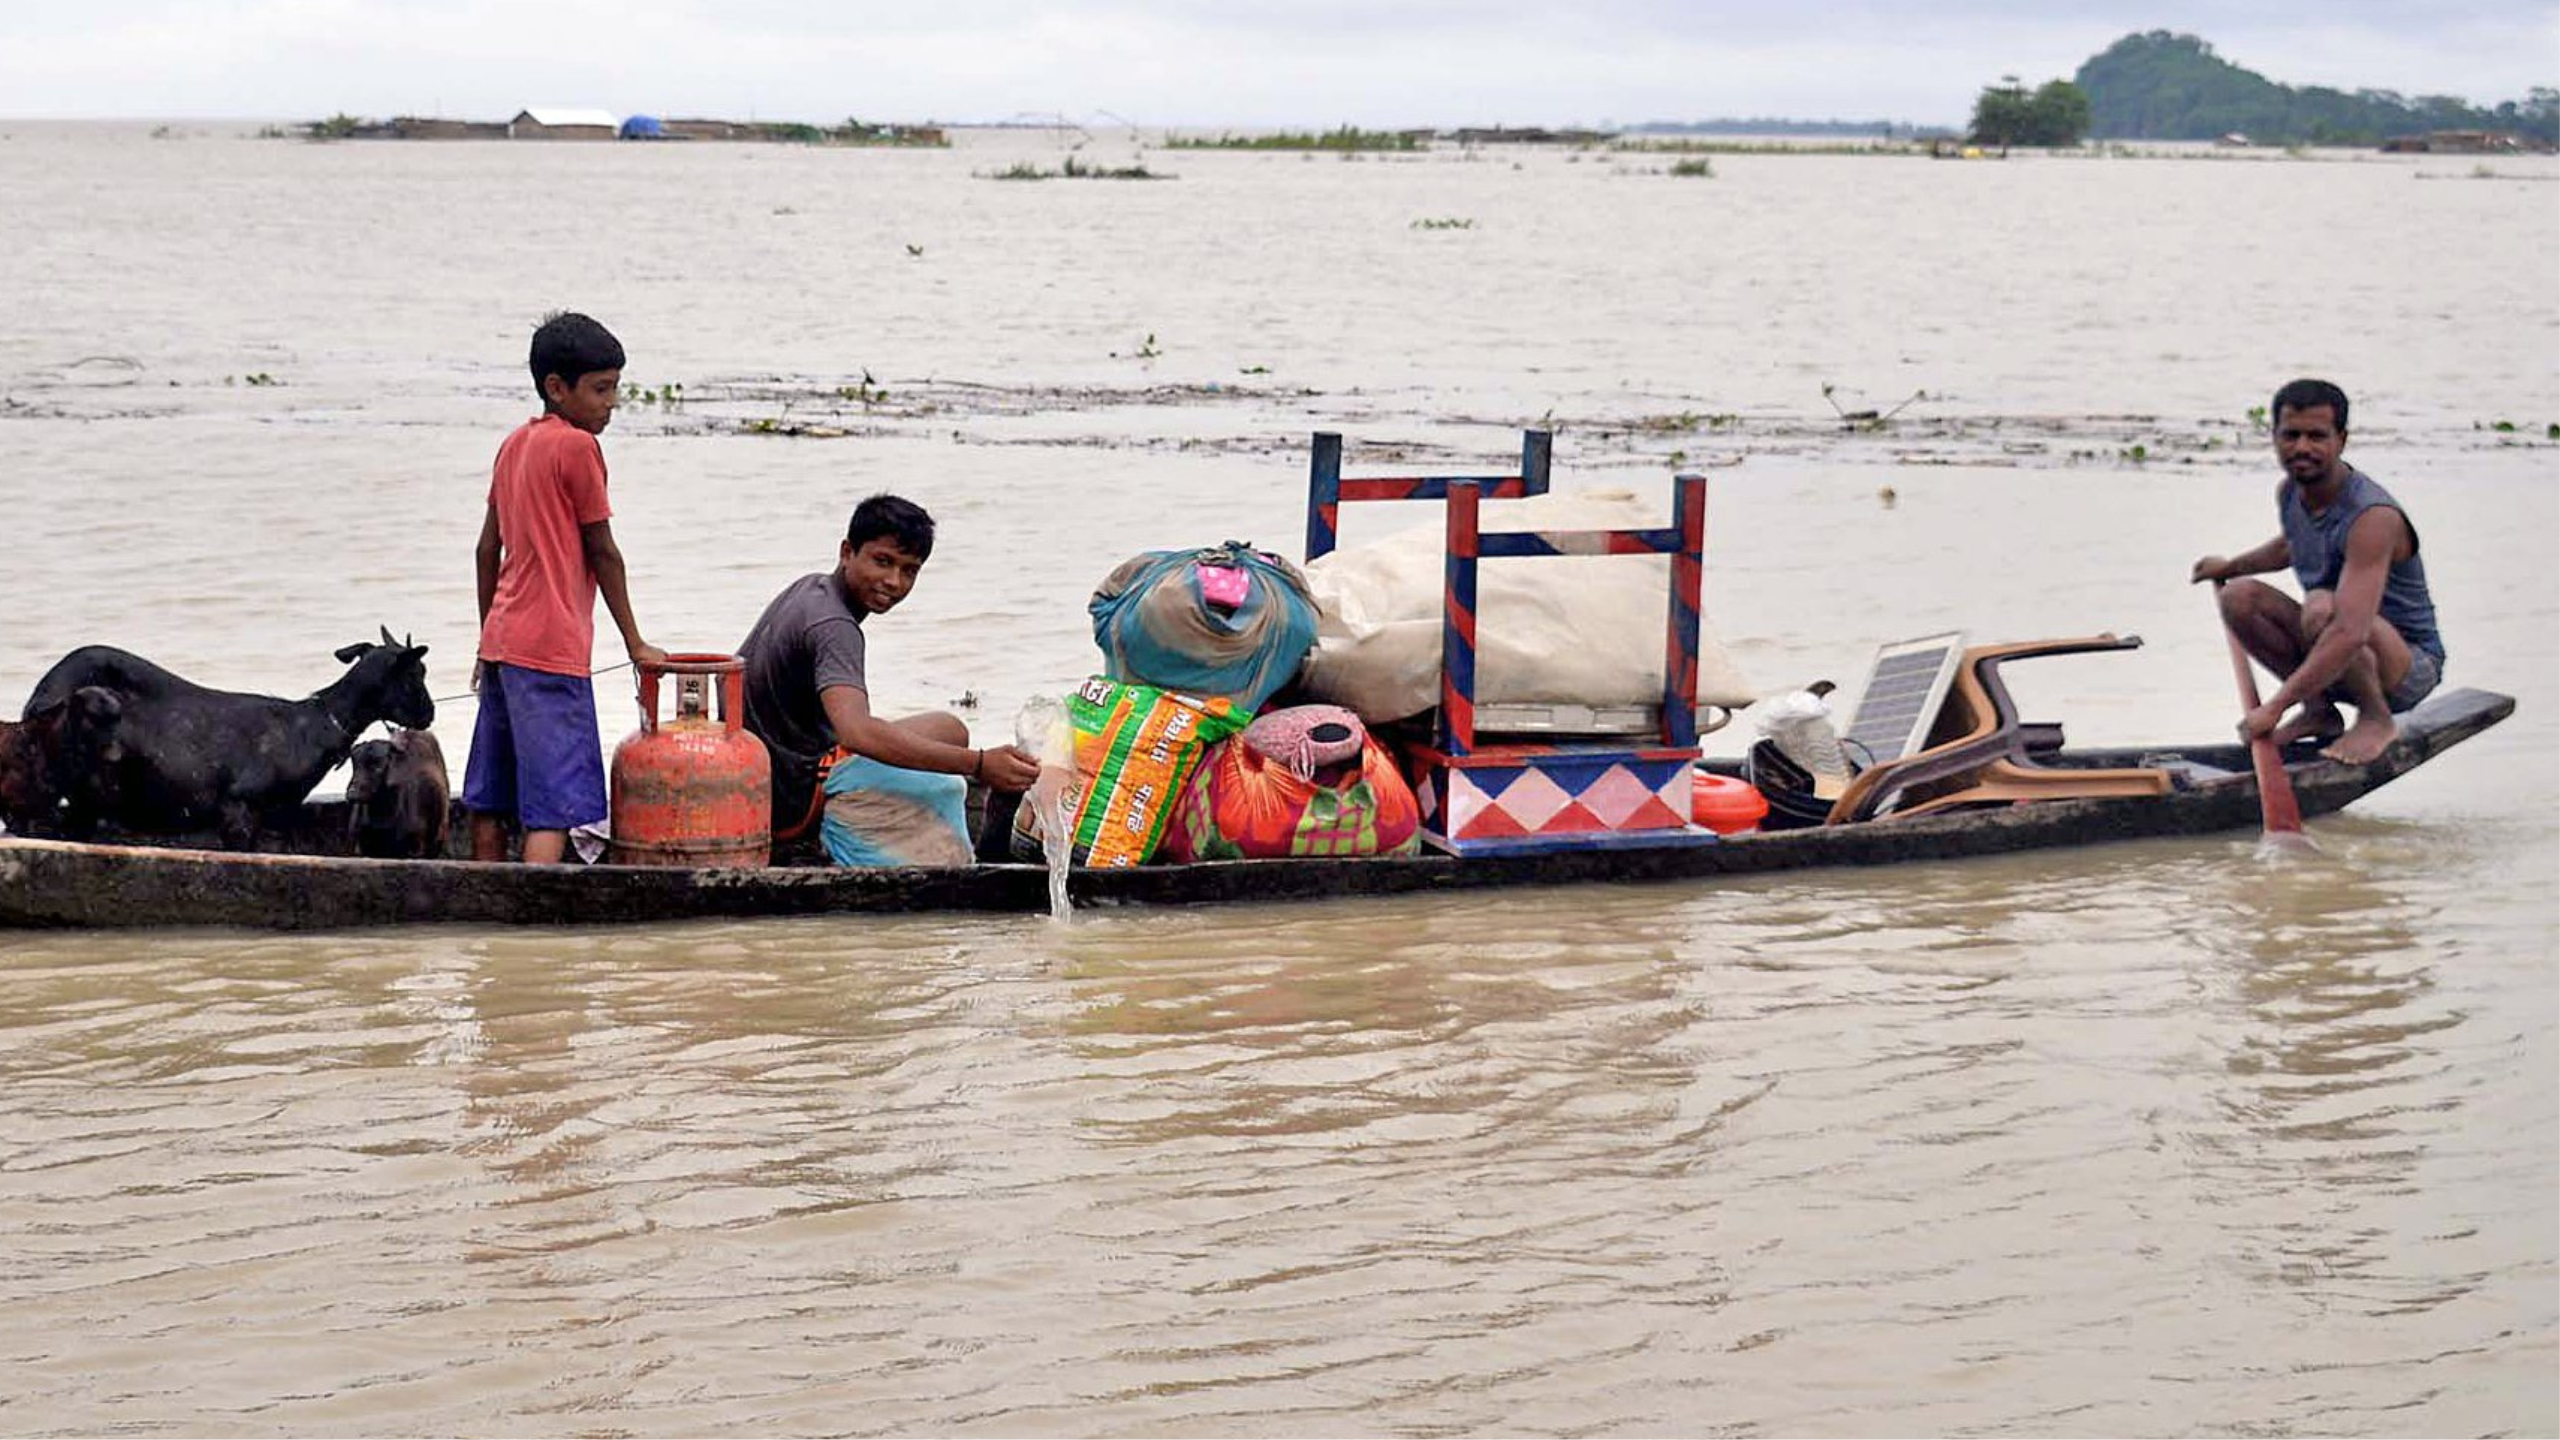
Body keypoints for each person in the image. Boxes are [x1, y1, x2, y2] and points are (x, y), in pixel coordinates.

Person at [464, 312, 666, 864]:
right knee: (552, 807)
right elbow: (603, 551)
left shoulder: (513, 444)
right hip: (552, 652)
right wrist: (636, 644)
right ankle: (533, 933)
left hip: (503, 645)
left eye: (615, 388)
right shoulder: (578, 449)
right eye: (601, 389)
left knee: (491, 798)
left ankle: (484, 902)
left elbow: (487, 550)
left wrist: (487, 639)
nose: (612, 403)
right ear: (557, 388)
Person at [738, 493, 1041, 849]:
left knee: (950, 729)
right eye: (882, 562)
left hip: (763, 770)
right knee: (952, 743)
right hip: (792, 794)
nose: (894, 581)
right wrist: (978, 765)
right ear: (847, 552)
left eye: (908, 570)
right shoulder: (835, 626)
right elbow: (857, 733)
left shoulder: (811, 588)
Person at [2191, 378, 2444, 765]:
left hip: (2405, 667)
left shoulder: (2373, 517)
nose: (2302, 448)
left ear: (2341, 440)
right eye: (2291, 435)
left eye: (2316, 436)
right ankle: (2319, 711)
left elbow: (2350, 631)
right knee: (2238, 597)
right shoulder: (2290, 493)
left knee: (2324, 606)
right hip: (2332, 649)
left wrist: (2274, 707)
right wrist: (2228, 567)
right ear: (2274, 437)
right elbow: (2290, 546)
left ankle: (2375, 718)